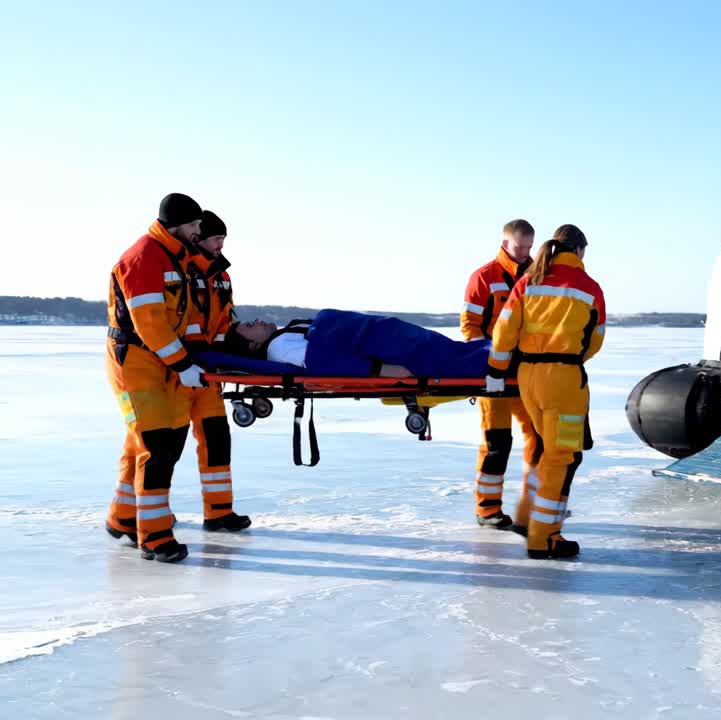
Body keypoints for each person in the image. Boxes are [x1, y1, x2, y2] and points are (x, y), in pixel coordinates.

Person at [485, 224, 605, 560]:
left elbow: (504, 330)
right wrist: (569, 358)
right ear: (580, 250)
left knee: (544, 448)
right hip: (563, 381)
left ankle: (529, 519)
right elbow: (595, 339)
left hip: (528, 379)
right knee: (562, 457)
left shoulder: (529, 281)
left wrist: (496, 369)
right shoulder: (588, 286)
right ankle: (544, 538)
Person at [104, 193, 208, 563]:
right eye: (195, 225)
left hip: (161, 363)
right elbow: (150, 322)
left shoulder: (174, 257)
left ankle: (123, 517)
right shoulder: (145, 257)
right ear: (178, 223)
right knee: (158, 447)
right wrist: (182, 364)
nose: (200, 231)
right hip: (136, 364)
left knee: (145, 444)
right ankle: (154, 536)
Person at [460, 219, 540, 533]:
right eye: (520, 247)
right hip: (493, 373)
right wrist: (482, 367)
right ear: (506, 242)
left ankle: (533, 505)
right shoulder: (483, 277)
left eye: (529, 248)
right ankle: (488, 509)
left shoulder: (539, 276)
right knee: (497, 443)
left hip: (529, 373)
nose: (524, 253)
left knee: (539, 438)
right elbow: (471, 327)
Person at [182, 210, 251, 533]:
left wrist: (227, 357)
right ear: (198, 238)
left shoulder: (222, 276)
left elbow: (226, 320)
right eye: (216, 238)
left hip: (208, 373)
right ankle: (130, 515)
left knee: (217, 439)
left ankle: (219, 512)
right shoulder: (182, 272)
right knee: (157, 448)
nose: (221, 244)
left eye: (223, 238)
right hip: (177, 371)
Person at [222, 310, 493, 379]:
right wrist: (381, 370)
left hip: (379, 333)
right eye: (248, 327)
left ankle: (501, 353)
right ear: (252, 347)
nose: (255, 321)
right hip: (380, 345)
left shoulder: (283, 337)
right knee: (453, 359)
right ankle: (508, 357)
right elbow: (325, 362)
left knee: (454, 352)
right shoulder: (279, 348)